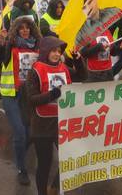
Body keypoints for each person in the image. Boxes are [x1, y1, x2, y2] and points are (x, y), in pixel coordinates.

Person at [26, 36, 85, 195]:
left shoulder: (63, 68)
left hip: (63, 122)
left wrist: (78, 60)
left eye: (59, 51)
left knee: (71, 157)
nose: (57, 54)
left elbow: (82, 76)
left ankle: (55, 186)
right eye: (53, 50)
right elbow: (32, 99)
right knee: (45, 164)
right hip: (42, 125)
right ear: (45, 51)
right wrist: (53, 94)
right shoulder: (35, 70)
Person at [0, 16, 42, 186]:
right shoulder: (10, 45)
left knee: (29, 133)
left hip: (29, 96)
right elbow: (0, 57)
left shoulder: (37, 47)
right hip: (11, 94)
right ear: (16, 30)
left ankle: (19, 150)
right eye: (21, 28)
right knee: (20, 132)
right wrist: (2, 43)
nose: (24, 30)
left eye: (27, 27)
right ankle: (22, 169)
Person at [75, 0, 122, 82]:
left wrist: (120, 47)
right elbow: (84, 53)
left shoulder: (106, 28)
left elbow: (112, 52)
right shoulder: (86, 30)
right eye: (87, 5)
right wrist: (99, 46)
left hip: (107, 72)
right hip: (92, 74)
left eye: (91, 2)